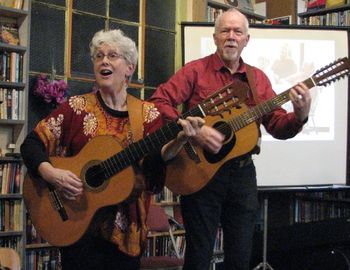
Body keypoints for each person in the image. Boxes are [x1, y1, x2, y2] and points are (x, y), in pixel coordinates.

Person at [20, 29, 204, 270]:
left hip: (127, 236)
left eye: (112, 55)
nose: (104, 60)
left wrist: (179, 140)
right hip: (77, 225)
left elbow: (153, 169)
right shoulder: (76, 108)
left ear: (130, 67)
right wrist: (51, 173)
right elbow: (31, 144)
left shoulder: (148, 114)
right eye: (98, 56)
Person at [148, 8, 311, 270]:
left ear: (247, 39)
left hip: (242, 175)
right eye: (225, 31)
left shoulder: (258, 79)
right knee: (199, 256)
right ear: (215, 38)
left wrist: (300, 115)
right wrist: (193, 130)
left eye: (238, 32)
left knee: (240, 256)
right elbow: (157, 102)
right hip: (200, 175)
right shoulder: (195, 71)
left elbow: (277, 125)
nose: (231, 37)